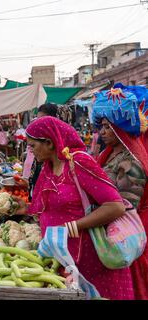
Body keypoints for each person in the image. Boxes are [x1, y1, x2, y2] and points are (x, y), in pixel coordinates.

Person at [15, 116, 134, 300]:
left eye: (32, 145)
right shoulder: (49, 166)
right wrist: (27, 209)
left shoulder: (77, 162)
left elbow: (115, 206)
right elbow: (56, 207)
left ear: (49, 143)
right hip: (65, 259)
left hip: (92, 260)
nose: (29, 151)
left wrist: (71, 227)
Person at [92, 83, 148, 300]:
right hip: (109, 223)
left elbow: (126, 208)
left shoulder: (130, 163)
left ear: (120, 127)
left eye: (107, 126)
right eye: (101, 126)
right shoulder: (111, 155)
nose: (102, 132)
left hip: (128, 230)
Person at [21, 103, 58, 198]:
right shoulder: (35, 135)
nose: (39, 123)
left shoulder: (56, 153)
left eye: (43, 119)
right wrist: (26, 180)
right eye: (38, 119)